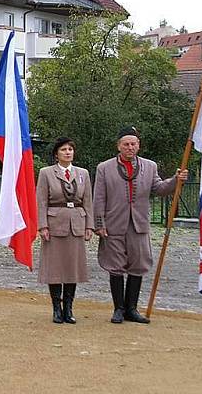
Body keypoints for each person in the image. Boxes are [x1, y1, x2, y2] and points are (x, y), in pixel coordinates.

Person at [94, 126, 187, 324]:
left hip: (139, 224)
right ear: (119, 146)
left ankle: (132, 309)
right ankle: (118, 308)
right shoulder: (104, 168)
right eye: (126, 144)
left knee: (138, 265)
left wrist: (175, 180)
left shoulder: (150, 166)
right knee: (116, 267)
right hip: (113, 224)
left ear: (139, 145)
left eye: (133, 144)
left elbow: (159, 188)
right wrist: (99, 224)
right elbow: (99, 198)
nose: (130, 147)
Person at [36, 137, 94, 324]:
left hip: (76, 223)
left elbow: (88, 201)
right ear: (56, 154)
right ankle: (56, 308)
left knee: (72, 267)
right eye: (63, 149)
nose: (67, 152)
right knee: (55, 267)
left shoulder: (82, 173)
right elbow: (41, 201)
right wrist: (42, 225)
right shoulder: (46, 173)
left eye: (70, 149)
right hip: (54, 224)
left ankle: (69, 308)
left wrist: (89, 226)